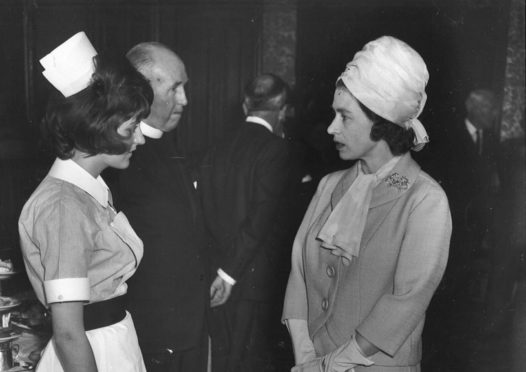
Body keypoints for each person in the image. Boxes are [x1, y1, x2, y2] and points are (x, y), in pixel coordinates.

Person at [282, 36, 452, 372]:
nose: (331, 128)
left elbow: (406, 300)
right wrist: (305, 357)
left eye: (344, 117)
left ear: (380, 121)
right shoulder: (329, 185)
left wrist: (329, 365)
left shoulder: (424, 200)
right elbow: (299, 270)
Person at [18, 32, 153, 372]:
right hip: (90, 352)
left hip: (112, 341)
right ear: (100, 126)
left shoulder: (89, 189)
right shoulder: (63, 206)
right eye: (133, 126)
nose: (140, 138)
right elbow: (67, 334)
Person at [110, 42, 209, 372]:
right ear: (141, 87)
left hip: (188, 328)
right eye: (175, 88)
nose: (184, 100)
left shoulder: (171, 144)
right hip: (152, 336)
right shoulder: (118, 160)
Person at [198, 73, 293, 371]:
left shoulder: (215, 145)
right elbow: (260, 220)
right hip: (250, 282)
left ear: (244, 106)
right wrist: (230, 274)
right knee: (249, 362)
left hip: (213, 275)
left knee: (223, 360)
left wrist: (222, 272)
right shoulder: (275, 149)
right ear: (283, 108)